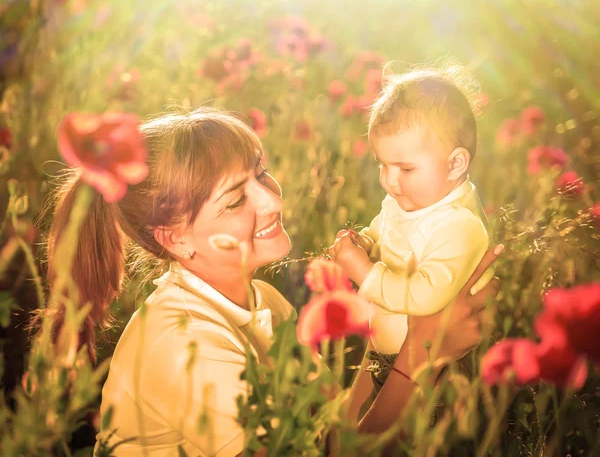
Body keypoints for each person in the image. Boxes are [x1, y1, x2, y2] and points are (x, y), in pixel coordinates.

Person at [45, 107, 501, 456]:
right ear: (177, 239)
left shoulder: (263, 300)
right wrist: (425, 350)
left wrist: (398, 326)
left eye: (261, 172)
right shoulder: (186, 345)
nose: (272, 202)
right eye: (235, 199)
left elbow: (335, 436)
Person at [330, 67, 495, 419]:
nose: (389, 181)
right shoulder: (409, 201)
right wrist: (366, 242)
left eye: (405, 169)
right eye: (382, 165)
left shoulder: (459, 226)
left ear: (455, 164)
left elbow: (427, 295)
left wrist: (365, 272)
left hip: (438, 369)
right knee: (367, 427)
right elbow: (386, 230)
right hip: (393, 355)